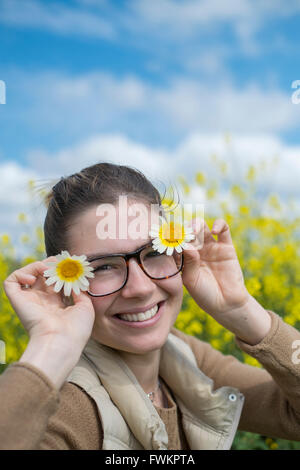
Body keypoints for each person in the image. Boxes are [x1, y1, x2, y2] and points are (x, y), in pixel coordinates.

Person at [0, 162, 300, 450]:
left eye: (155, 252)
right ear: (64, 283)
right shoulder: (71, 407)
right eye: (103, 267)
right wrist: (50, 347)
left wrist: (239, 308)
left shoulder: (183, 358)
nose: (141, 288)